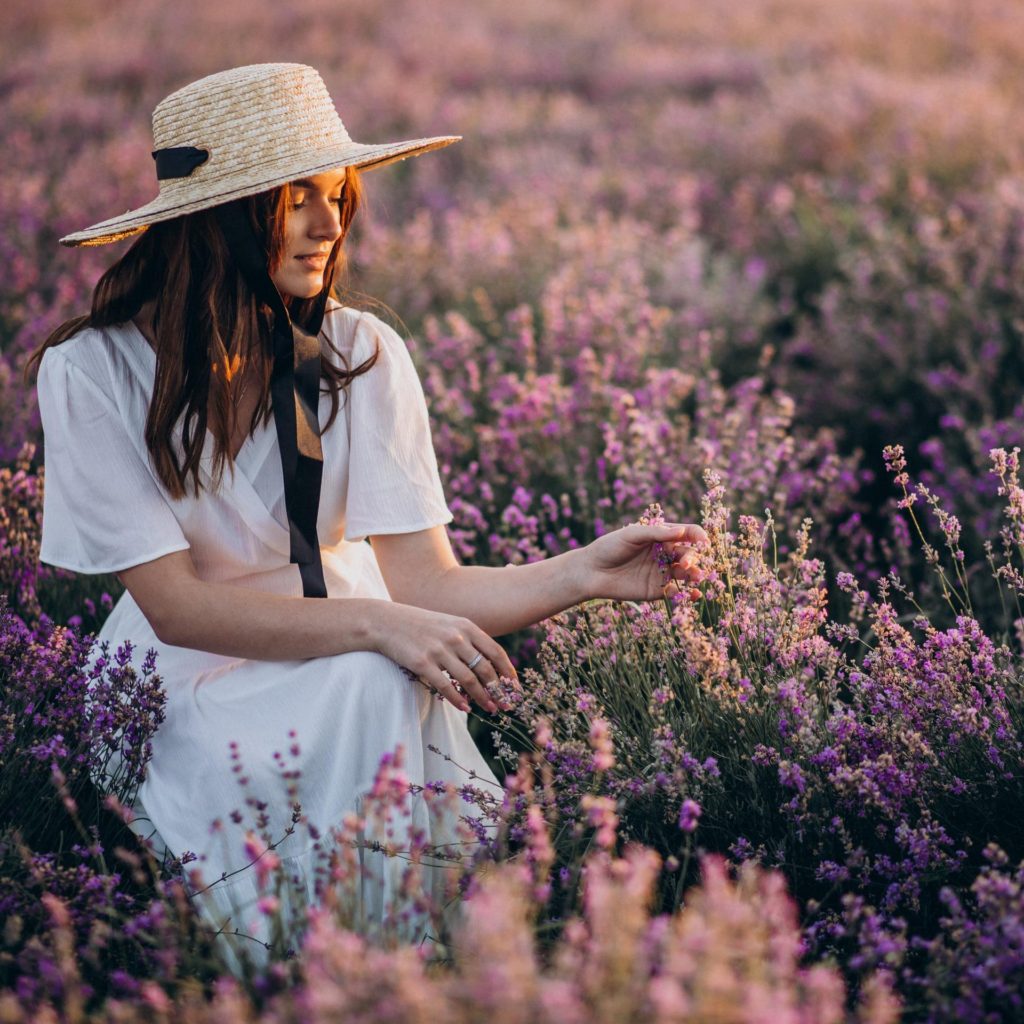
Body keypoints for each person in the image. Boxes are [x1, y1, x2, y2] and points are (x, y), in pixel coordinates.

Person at [27, 63, 706, 970]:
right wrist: (380, 626)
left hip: (348, 647)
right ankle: (359, 963)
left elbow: (427, 585)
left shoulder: (361, 350)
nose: (328, 222)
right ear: (219, 217)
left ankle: (381, 967)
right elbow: (177, 609)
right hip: (175, 677)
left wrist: (586, 574)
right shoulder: (92, 372)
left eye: (337, 193)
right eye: (294, 197)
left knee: (377, 678)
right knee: (377, 676)